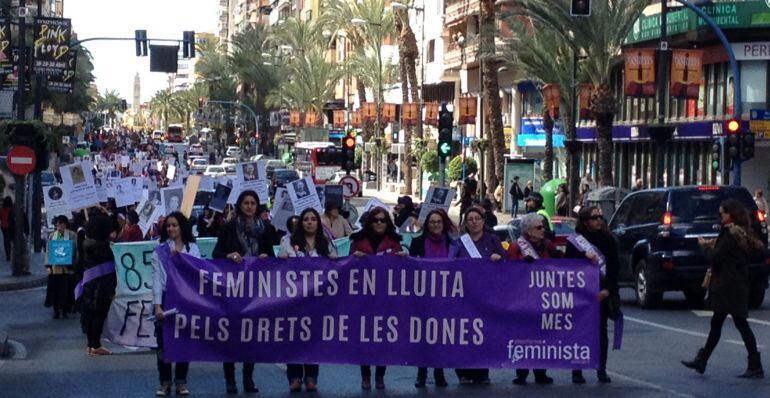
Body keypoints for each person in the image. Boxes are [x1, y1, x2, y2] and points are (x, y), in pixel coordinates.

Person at [681, 199, 765, 378]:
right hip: (735, 284)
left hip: (728, 286)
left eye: (722, 213)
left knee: (738, 324)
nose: (720, 216)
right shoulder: (739, 232)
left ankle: (754, 363)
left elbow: (717, 257)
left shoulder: (729, 234)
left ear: (730, 214)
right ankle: (703, 360)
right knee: (720, 324)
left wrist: (704, 247)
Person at [212, 190, 278, 394]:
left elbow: (272, 257)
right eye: (246, 203)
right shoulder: (229, 228)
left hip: (256, 289)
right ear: (240, 205)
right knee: (231, 335)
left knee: (252, 334)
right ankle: (230, 379)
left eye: (253, 203)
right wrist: (229, 255)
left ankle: (248, 377)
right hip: (233, 288)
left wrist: (267, 257)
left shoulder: (265, 229)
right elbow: (216, 254)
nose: (249, 206)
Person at [278, 208, 337, 392]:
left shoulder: (325, 242)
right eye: (306, 219)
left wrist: (332, 259)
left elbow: (336, 263)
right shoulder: (288, 241)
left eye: (313, 219)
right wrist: (282, 260)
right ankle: (294, 376)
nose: (309, 222)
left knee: (313, 338)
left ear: (318, 223)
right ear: (300, 223)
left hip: (317, 300)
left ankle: (311, 376)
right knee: (293, 338)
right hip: (293, 300)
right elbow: (278, 266)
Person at [349, 206, 404, 390]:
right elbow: (346, 268)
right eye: (376, 220)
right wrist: (354, 258)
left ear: (387, 222)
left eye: (383, 220)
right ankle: (365, 375)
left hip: (386, 299)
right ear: (370, 222)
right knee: (363, 338)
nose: (379, 223)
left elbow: (401, 272)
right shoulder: (357, 241)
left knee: (383, 339)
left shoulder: (395, 242)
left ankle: (380, 376)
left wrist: (404, 258)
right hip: (362, 299)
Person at [565, 206, 619, 384]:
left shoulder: (609, 239)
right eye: (594, 217)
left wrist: (607, 290)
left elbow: (614, 268)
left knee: (600, 333)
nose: (599, 220)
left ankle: (600, 368)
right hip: (580, 295)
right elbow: (568, 267)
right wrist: (584, 257)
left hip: (601, 294)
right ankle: (577, 370)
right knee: (578, 332)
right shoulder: (574, 242)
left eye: (600, 217)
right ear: (585, 221)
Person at [508, 213, 562, 385]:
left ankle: (541, 371)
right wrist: (522, 264)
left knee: (542, 336)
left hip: (543, 298)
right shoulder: (517, 247)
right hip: (522, 299)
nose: (543, 230)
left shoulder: (548, 245)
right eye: (539, 227)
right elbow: (507, 270)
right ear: (529, 231)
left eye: (543, 227)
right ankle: (522, 372)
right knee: (523, 336)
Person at [152, 212, 201, 396]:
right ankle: (164, 382)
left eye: (175, 225)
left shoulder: (193, 249)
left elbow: (198, 273)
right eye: (168, 226)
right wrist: (158, 305)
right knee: (163, 344)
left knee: (183, 341)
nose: (171, 229)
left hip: (186, 299)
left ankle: (181, 381)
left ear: (182, 227)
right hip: (165, 298)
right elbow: (156, 278)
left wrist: (181, 260)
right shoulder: (160, 251)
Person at [455, 206, 504, 385]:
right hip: (464, 295)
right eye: (470, 219)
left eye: (477, 218)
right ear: (466, 223)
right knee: (464, 334)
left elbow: (505, 260)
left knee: (483, 334)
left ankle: (482, 371)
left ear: (483, 221)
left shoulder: (492, 239)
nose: (474, 222)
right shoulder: (460, 241)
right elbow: (450, 263)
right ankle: (464, 371)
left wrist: (498, 258)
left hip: (486, 295)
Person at [408, 209, 457, 388]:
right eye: (432, 222)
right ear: (427, 225)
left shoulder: (454, 244)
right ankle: (422, 372)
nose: (435, 225)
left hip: (446, 297)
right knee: (423, 337)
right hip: (423, 296)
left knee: (441, 337)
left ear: (443, 224)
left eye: (438, 222)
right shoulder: (417, 242)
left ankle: (439, 372)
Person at [79, 212, 117, 356]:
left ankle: (90, 344)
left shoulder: (86, 244)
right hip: (101, 287)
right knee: (99, 315)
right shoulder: (102, 248)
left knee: (90, 315)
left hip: (89, 284)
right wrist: (112, 290)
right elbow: (108, 271)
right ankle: (96, 345)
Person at [44, 216, 77, 319]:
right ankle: (56, 310)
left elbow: (75, 250)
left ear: (65, 224)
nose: (59, 226)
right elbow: (48, 251)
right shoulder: (52, 236)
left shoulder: (71, 235)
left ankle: (65, 310)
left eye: (61, 224)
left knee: (66, 290)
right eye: (57, 224)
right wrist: (48, 266)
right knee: (55, 290)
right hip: (55, 268)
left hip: (67, 267)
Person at [0, 197, 13, 261]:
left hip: (5, 227)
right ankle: (9, 254)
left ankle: (8, 255)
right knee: (8, 240)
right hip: (9, 227)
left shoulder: (2, 209)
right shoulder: (12, 209)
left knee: (6, 241)